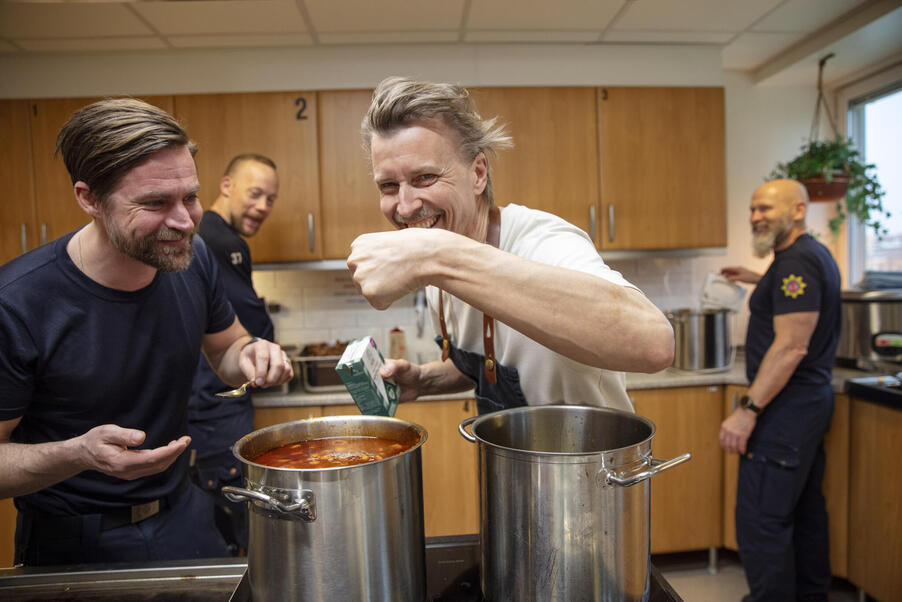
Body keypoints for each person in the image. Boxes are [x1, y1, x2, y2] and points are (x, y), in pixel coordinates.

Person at [0, 99, 293, 566]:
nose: (184, 221)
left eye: (190, 197)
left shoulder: (193, 260)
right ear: (89, 199)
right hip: (75, 539)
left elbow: (228, 348)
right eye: (155, 203)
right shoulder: (18, 302)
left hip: (185, 513)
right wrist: (79, 454)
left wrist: (252, 353)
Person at [347, 77, 674, 414]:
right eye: (389, 186)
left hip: (593, 450)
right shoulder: (439, 252)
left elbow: (653, 343)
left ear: (478, 173)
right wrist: (426, 379)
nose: (404, 207)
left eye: (425, 178)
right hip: (509, 451)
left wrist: (435, 256)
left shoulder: (541, 241)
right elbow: (490, 361)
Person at [719, 179, 841, 602]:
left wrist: (747, 410)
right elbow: (799, 299)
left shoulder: (796, 263)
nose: (756, 217)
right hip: (805, 405)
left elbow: (792, 346)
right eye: (753, 209)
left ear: (799, 210)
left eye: (766, 209)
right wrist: (759, 279)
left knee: (762, 520)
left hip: (785, 408)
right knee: (804, 513)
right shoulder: (806, 255)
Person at [188, 153, 279, 556]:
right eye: (254, 194)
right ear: (226, 186)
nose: (262, 207)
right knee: (239, 537)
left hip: (204, 408)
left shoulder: (203, 236)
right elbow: (252, 329)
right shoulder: (220, 242)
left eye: (270, 199)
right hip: (218, 409)